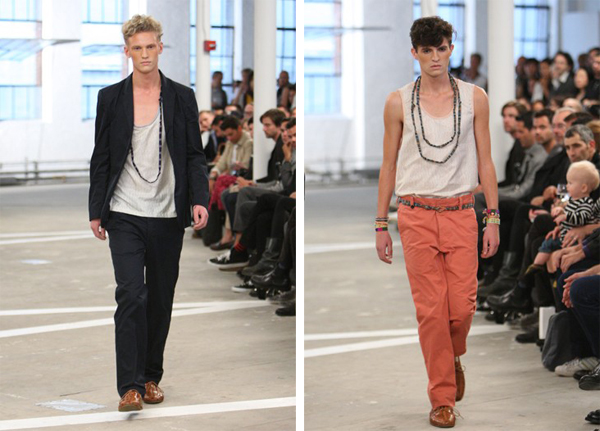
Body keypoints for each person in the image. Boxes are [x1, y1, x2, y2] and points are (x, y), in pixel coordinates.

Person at [375, 16, 499, 428]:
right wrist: (380, 224)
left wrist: (493, 217)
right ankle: (442, 398)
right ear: (414, 53)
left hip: (462, 212)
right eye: (426, 50)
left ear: (451, 48)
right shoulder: (397, 102)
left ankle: (452, 354)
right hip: (415, 215)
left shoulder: (475, 98)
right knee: (431, 312)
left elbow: (486, 161)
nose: (434, 57)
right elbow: (388, 164)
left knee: (461, 309)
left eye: (441, 49)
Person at [88, 14, 209, 412]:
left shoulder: (181, 97)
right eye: (136, 48)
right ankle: (129, 387)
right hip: (123, 210)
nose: (144, 54)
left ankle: (151, 376)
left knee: (159, 298)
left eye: (150, 46)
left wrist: (200, 199)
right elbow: (101, 157)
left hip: (167, 212)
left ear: (160, 47)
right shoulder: (110, 97)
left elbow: (194, 155)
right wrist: (96, 210)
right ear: (127, 52)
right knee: (130, 294)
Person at [527, 161, 599, 272]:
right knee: (543, 241)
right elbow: (568, 211)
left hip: (577, 238)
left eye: (570, 183)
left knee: (544, 232)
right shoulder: (573, 201)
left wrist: (566, 217)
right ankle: (535, 267)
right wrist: (560, 215)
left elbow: (582, 217)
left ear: (583, 188)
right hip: (566, 232)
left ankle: (534, 271)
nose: (567, 186)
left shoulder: (586, 203)